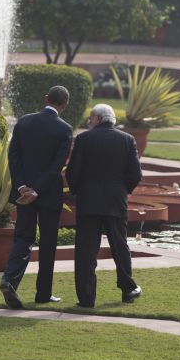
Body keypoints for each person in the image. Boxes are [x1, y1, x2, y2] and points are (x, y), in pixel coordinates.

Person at [0, 86, 73, 309]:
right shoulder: (65, 129)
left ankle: (9, 280)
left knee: (23, 237)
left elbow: (13, 157)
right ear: (64, 105)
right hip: (48, 195)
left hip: (24, 194)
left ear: (46, 99)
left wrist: (23, 187)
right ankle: (43, 294)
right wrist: (37, 190)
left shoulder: (24, 122)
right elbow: (56, 167)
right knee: (48, 243)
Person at [65, 103, 142, 308]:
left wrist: (78, 192)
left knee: (85, 251)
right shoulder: (127, 140)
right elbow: (136, 174)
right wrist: (121, 190)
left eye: (91, 118)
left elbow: (72, 172)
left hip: (88, 202)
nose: (88, 121)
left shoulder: (83, 139)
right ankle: (127, 289)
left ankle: (86, 298)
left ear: (98, 119)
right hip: (115, 202)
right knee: (120, 246)